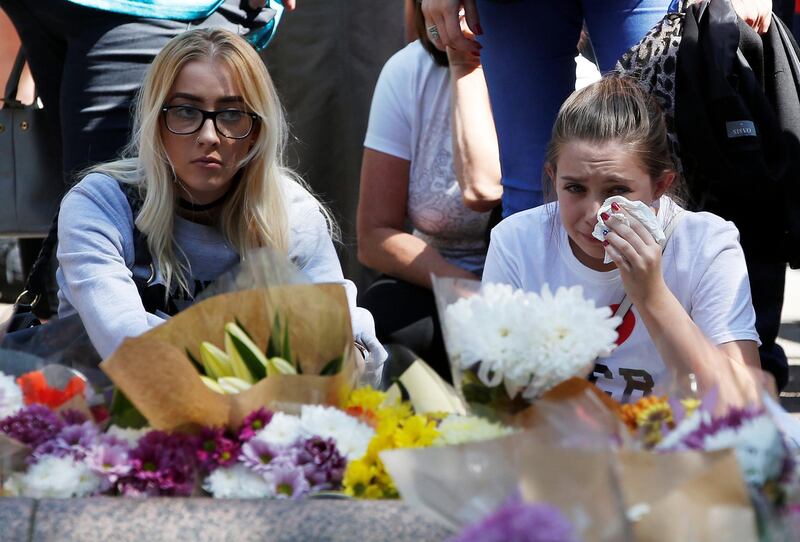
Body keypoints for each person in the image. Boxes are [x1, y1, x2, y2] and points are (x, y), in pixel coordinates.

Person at [54, 28, 386, 374]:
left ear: (256, 130)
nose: (209, 136)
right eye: (185, 111)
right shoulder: (100, 205)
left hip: (262, 419)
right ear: (157, 121)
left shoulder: (291, 213)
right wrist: (279, 356)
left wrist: (347, 356)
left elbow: (351, 349)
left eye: (231, 114)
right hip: (100, 416)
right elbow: (128, 344)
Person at [0, 0, 294, 315]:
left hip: (150, 10)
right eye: (185, 111)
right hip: (49, 9)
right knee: (95, 217)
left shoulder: (298, 212)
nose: (209, 136)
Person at [482, 76, 761, 402]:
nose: (594, 213)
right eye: (575, 188)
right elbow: (493, 398)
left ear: (659, 186)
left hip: (676, 445)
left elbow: (744, 404)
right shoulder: (516, 243)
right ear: (553, 178)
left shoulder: (706, 244)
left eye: (617, 190)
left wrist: (651, 293)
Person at [357, 0, 500, 379]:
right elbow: (374, 236)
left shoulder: (564, 77)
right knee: (384, 317)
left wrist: (465, 66)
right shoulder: (408, 71)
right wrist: (462, 285)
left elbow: (484, 187)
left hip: (525, 290)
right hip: (435, 279)